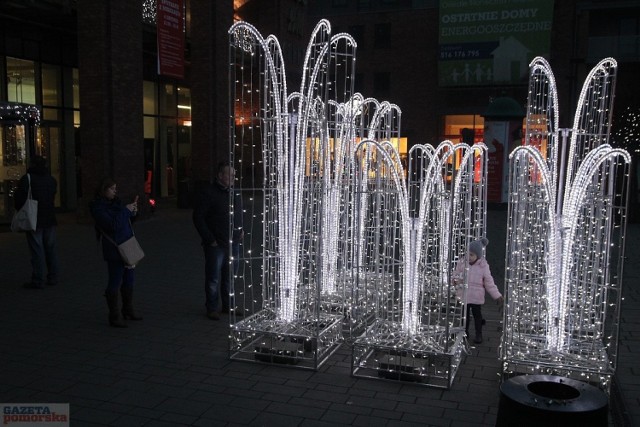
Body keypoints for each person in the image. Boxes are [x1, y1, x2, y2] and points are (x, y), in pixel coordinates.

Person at [193, 162, 243, 320]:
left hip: (233, 242)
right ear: (220, 175)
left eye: (234, 175)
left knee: (230, 277)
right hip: (216, 243)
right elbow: (198, 217)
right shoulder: (209, 193)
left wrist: (241, 230)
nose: (233, 178)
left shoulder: (234, 192)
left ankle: (228, 305)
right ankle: (212, 307)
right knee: (213, 277)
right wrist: (209, 238)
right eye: (230, 175)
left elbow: (239, 213)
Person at [90, 178, 142, 328]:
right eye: (112, 189)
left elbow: (127, 222)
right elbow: (112, 225)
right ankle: (114, 315)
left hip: (127, 244)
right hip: (114, 248)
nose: (115, 191)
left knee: (129, 279)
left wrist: (133, 213)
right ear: (103, 190)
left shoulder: (117, 203)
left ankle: (127, 309)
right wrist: (126, 211)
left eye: (115, 189)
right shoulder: (98, 208)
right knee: (115, 280)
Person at [14, 155, 59, 289]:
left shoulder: (27, 179)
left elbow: (20, 198)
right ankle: (53, 276)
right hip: (49, 218)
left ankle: (38, 279)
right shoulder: (51, 180)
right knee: (50, 249)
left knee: (36, 249)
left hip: (34, 218)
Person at [453, 237, 503, 344]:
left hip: (476, 297)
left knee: (477, 316)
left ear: (478, 255)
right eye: (468, 254)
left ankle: (478, 334)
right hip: (464, 295)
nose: (469, 257)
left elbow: (489, 282)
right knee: (464, 316)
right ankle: (464, 332)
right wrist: (455, 280)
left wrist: (497, 295)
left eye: (472, 255)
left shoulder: (483, 266)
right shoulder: (462, 263)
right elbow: (455, 275)